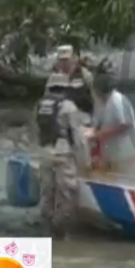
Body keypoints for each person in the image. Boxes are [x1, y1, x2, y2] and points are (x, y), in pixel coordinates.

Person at [37, 76, 91, 239]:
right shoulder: (68, 106)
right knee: (67, 193)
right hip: (63, 154)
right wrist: (85, 160)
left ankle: (46, 229)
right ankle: (60, 232)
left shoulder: (40, 105)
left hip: (45, 153)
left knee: (47, 191)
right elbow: (77, 135)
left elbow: (36, 130)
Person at [89, 72, 135, 173]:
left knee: (128, 175)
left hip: (128, 150)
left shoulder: (118, 100)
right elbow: (96, 122)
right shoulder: (99, 103)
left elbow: (124, 125)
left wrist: (99, 134)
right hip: (112, 151)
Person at [49, 45, 95, 115]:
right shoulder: (54, 76)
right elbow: (48, 96)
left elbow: (93, 91)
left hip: (80, 111)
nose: (64, 63)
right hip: (62, 112)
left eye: (66, 60)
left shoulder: (83, 73)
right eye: (62, 60)